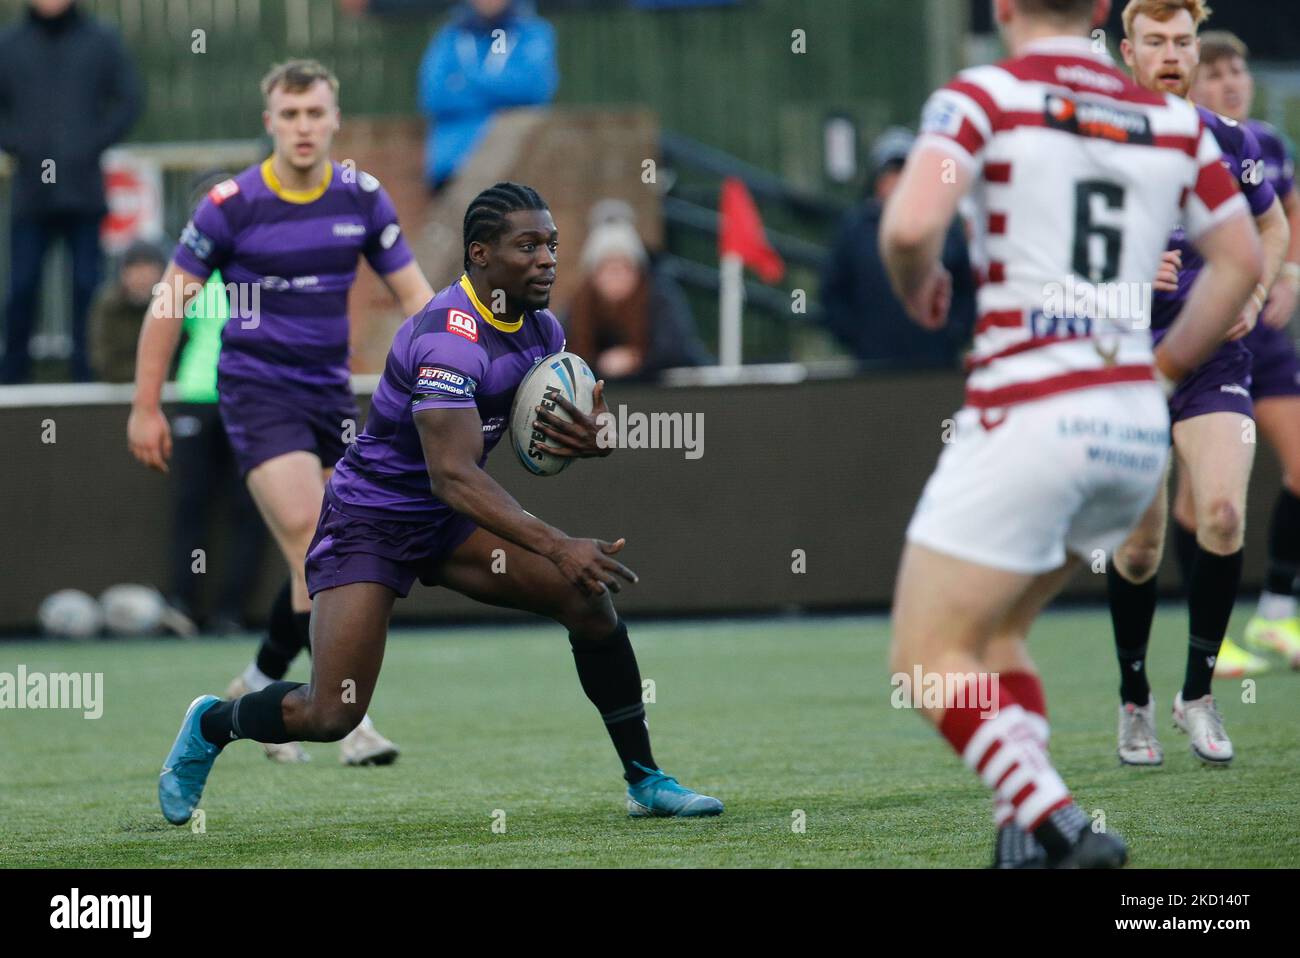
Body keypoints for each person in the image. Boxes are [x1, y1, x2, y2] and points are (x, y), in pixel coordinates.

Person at [156, 182, 724, 827]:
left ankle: (645, 779)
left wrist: (589, 438)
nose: (547, 259)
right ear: (480, 254)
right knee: (331, 713)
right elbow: (452, 475)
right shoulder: (447, 340)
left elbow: (537, 430)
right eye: (528, 246)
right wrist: (559, 543)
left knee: (587, 600)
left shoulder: (544, 329)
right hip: (369, 524)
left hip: (444, 522)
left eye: (552, 245)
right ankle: (213, 721)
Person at [882, 0, 1261, 867]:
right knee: (998, 634)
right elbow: (1241, 259)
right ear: (1100, 14)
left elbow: (910, 225)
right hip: (1131, 425)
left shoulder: (982, 95)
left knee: (923, 659)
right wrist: (1162, 371)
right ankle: (1024, 838)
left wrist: (918, 284)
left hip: (1031, 413)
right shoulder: (1170, 118)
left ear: (1003, 8)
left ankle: (1060, 824)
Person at [129, 60, 436, 766]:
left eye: (315, 113)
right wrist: (146, 405)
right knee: (316, 538)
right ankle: (350, 718)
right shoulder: (231, 205)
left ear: (334, 119)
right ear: (270, 121)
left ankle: (262, 680)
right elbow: (168, 303)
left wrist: (466, 367)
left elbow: (418, 303)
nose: (303, 127)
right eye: (290, 115)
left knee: (335, 549)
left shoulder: (361, 197)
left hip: (332, 395)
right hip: (256, 392)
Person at [1106, 0, 1290, 771]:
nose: (1174, 56)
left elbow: (1272, 227)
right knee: (1142, 548)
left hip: (1211, 356)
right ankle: (1135, 700)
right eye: (1157, 42)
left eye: (1184, 41)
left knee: (1220, 514)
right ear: (1128, 50)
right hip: (1124, 358)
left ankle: (1199, 694)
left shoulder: (1228, 141)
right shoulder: (1092, 140)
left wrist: (1249, 294)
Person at [1183, 31, 1300, 670]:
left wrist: (1286, 278)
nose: (1231, 82)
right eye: (1217, 72)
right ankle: (1209, 639)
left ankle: (1278, 614)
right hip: (1200, 333)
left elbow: (1285, 214)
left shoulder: (1264, 146)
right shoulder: (1177, 143)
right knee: (1198, 503)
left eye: (1239, 70)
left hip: (1261, 332)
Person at [0, 0, 143, 383]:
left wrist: (90, 142)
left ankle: (87, 378)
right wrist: (18, 144)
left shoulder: (101, 40)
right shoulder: (10, 44)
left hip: (83, 192)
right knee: (22, 287)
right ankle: (12, 383)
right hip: (31, 194)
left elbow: (130, 99)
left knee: (86, 287)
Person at [820, 128, 975, 369]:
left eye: (905, 173)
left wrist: (952, 333)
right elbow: (832, 295)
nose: (897, 183)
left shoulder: (945, 226)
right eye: (890, 174)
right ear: (876, 180)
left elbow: (968, 290)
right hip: (874, 372)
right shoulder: (854, 229)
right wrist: (859, 339)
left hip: (936, 369)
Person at [417, 0, 558, 193]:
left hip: (513, 163)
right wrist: (499, 92)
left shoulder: (533, 32)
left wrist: (466, 81)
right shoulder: (449, 36)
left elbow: (532, 89)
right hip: (453, 164)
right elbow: (434, 96)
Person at [564, 206, 711, 380]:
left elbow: (677, 350)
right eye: (607, 268)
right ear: (594, 275)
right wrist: (598, 365)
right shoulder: (579, 306)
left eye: (624, 267)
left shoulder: (659, 298)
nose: (616, 276)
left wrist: (636, 361)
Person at [89, 240, 166, 383]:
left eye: (148, 270)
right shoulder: (109, 305)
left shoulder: (173, 305)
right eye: (135, 269)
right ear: (123, 274)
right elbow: (103, 360)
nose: (141, 277)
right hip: (115, 392)